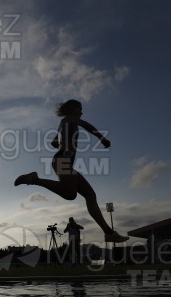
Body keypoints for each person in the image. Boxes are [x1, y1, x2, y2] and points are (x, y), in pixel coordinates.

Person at [14, 99, 129, 243]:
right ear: (72, 109)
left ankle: (109, 233)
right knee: (70, 195)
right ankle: (34, 179)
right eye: (79, 108)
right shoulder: (70, 119)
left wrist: (60, 141)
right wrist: (102, 138)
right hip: (62, 160)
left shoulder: (63, 123)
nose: (82, 112)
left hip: (64, 160)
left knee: (90, 195)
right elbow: (86, 125)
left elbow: (54, 141)